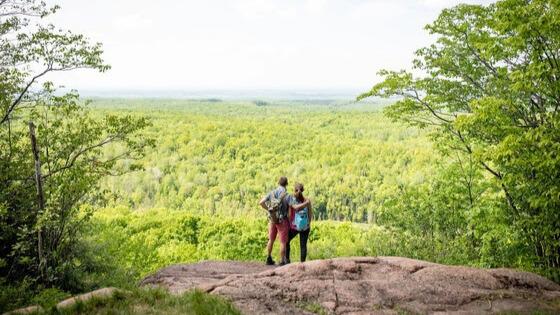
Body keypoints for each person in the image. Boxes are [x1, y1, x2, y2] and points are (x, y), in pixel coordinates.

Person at [259, 177, 309, 266]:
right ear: (287, 184)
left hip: (273, 219)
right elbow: (296, 207)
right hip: (282, 221)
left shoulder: (272, 193)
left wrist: (269, 210)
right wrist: (306, 203)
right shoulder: (287, 195)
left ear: (278, 183)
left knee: (271, 239)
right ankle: (282, 261)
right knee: (283, 242)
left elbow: (261, 202)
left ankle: (268, 258)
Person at [286, 183, 312, 263]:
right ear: (303, 190)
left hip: (294, 227)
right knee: (303, 246)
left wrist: (289, 223)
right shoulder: (307, 201)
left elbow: (290, 214)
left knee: (286, 241)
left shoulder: (292, 199)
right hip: (305, 226)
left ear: (294, 190)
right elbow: (310, 214)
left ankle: (287, 260)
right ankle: (302, 263)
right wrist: (308, 223)